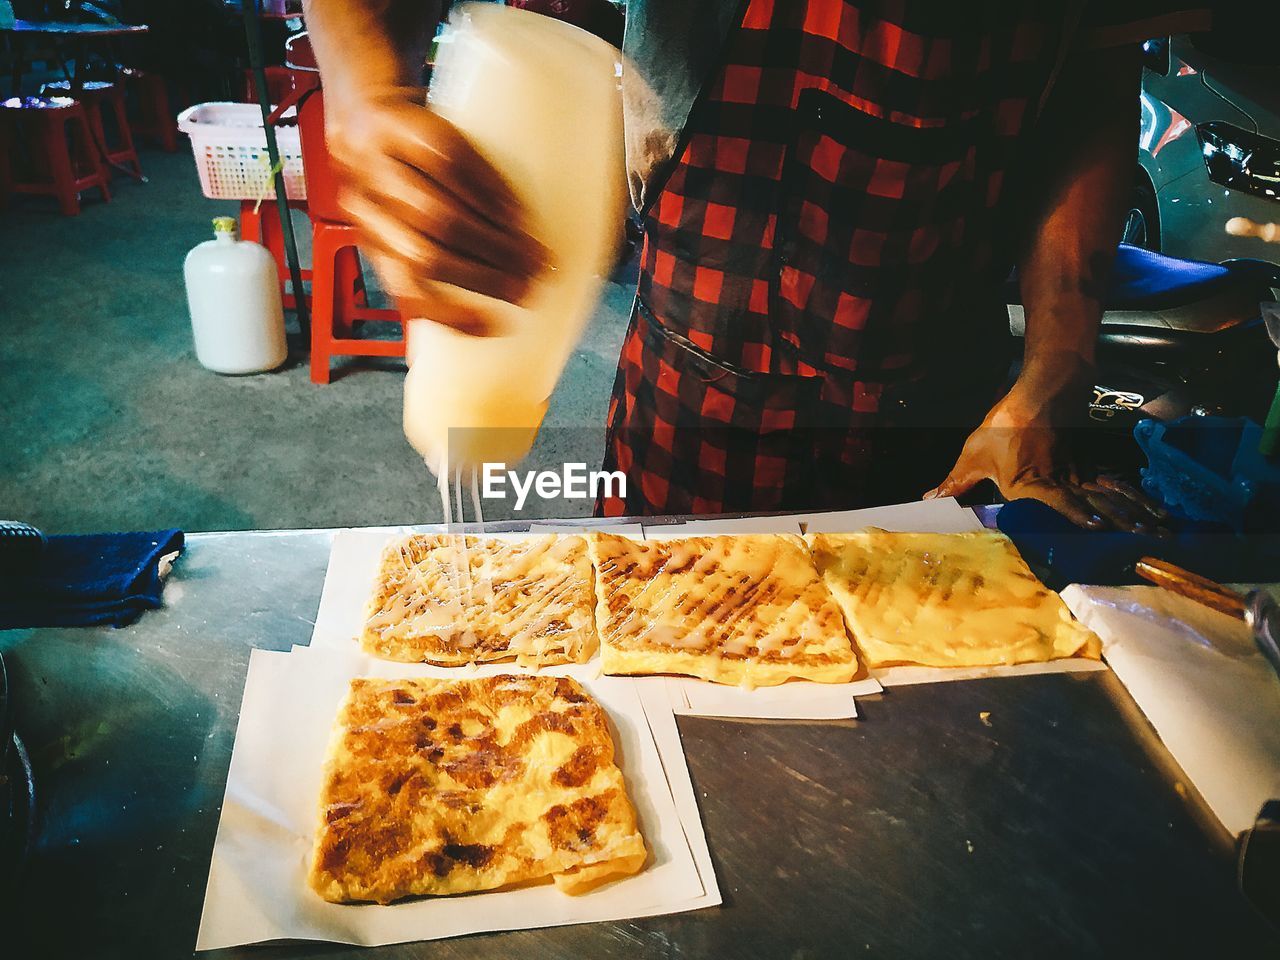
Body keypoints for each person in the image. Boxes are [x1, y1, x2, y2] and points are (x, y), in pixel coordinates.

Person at [303, 0, 1211, 529]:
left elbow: (1095, 69)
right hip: (695, 385)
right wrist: (368, 88)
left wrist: (1058, 365)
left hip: (944, 407)